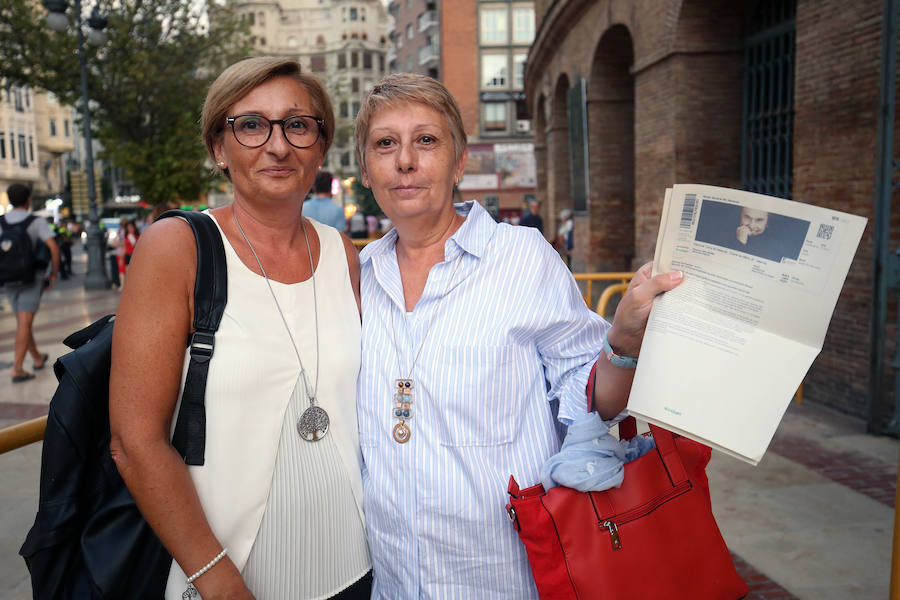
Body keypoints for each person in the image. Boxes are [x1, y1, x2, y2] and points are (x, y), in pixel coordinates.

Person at [353, 73, 683, 598]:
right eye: (385, 144)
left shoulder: (522, 257)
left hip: (507, 573)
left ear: (460, 163)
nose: (405, 160)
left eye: (427, 140)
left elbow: (593, 399)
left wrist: (621, 341)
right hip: (394, 578)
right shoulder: (357, 277)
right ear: (366, 171)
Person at [108, 57, 371, 599]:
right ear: (218, 148)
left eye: (297, 125)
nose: (277, 146)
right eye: (251, 125)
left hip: (357, 568)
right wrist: (220, 583)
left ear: (321, 147)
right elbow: (135, 443)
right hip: (225, 579)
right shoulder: (177, 247)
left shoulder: (341, 252)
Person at [1, 183, 60, 383]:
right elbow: (53, 247)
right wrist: (53, 273)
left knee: (22, 322)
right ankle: (17, 369)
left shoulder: (1, 222)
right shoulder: (36, 222)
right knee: (24, 323)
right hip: (31, 278)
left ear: (9, 200)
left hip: (7, 279)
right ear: (28, 200)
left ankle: (36, 357)